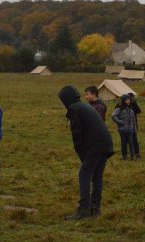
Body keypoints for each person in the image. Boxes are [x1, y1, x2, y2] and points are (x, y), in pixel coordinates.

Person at [58, 86, 114, 220]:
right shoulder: (84, 106)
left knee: (84, 174)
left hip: (95, 146)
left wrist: (82, 155)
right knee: (97, 176)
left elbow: (77, 136)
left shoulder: (75, 109)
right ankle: (95, 209)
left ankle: (84, 209)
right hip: (105, 144)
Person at [112, 94, 137, 161]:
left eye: (129, 99)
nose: (128, 101)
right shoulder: (119, 108)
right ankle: (124, 156)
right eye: (126, 100)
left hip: (130, 130)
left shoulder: (131, 109)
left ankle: (133, 156)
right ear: (123, 101)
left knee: (131, 143)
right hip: (122, 130)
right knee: (124, 143)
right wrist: (120, 122)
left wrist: (134, 129)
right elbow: (113, 116)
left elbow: (133, 120)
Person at [128, 93, 141, 158]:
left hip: (133, 125)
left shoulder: (133, 105)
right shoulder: (125, 105)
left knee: (134, 140)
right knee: (128, 140)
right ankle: (130, 153)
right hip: (126, 125)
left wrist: (134, 103)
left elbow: (139, 111)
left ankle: (137, 153)